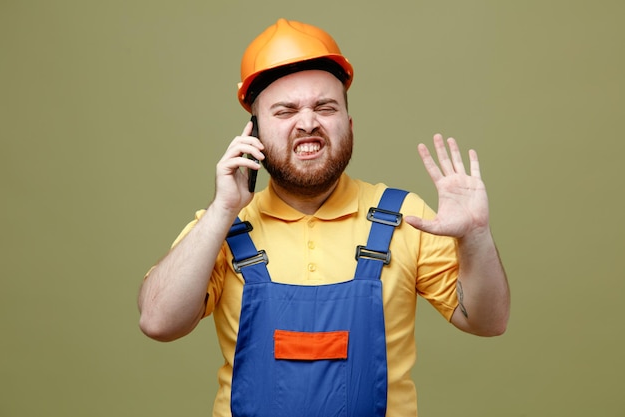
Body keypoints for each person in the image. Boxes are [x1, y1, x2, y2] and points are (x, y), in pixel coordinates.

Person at [138, 18, 510, 417]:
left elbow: (487, 322)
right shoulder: (221, 226)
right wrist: (221, 211)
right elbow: (158, 322)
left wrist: (475, 237)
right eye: (285, 111)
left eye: (324, 107)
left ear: (348, 126)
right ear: (253, 134)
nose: (308, 123)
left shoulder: (405, 217)